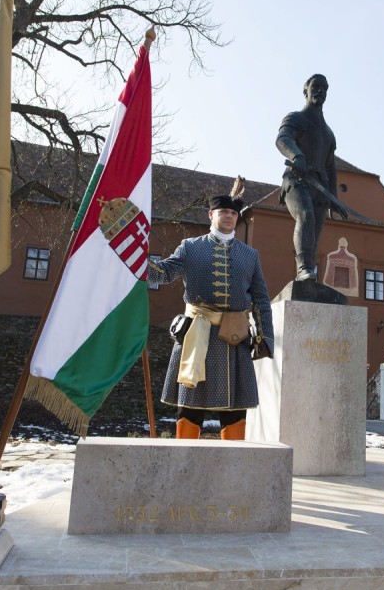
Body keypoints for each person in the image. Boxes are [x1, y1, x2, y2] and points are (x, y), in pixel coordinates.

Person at [148, 181, 274, 440]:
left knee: (235, 410)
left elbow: (261, 299)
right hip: (197, 336)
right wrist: (135, 256)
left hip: (236, 339)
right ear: (211, 215)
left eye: (233, 213)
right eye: (223, 212)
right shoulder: (190, 247)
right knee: (190, 407)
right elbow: (163, 273)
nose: (229, 217)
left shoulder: (250, 255)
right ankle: (185, 458)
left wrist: (264, 336)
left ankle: (233, 460)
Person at [275, 74, 347, 282]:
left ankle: (309, 275)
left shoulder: (329, 133)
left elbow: (330, 166)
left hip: (320, 188)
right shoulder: (295, 118)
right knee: (306, 215)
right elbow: (283, 139)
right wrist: (297, 155)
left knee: (314, 233)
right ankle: (304, 268)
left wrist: (334, 198)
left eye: (324, 88)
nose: (320, 91)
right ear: (305, 90)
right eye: (315, 86)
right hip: (297, 180)